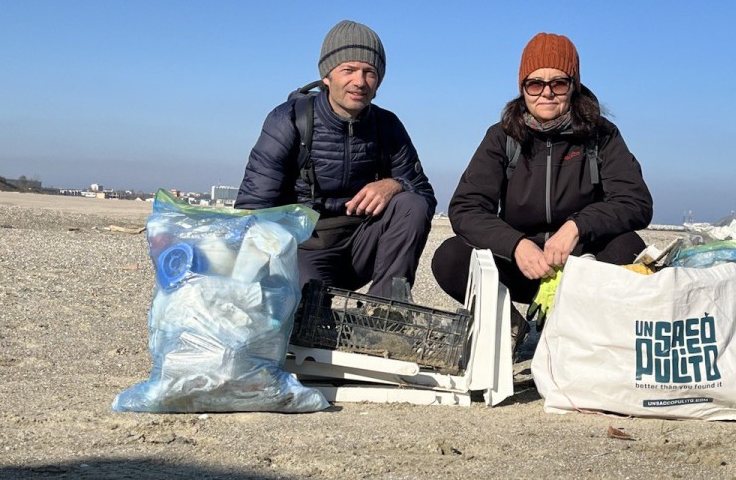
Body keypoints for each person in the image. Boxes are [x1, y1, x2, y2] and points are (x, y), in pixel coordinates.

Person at [430, 32, 653, 347]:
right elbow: (466, 209)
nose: (546, 93)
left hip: (581, 265)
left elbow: (636, 202)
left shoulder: (601, 136)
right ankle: (507, 326)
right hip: (523, 265)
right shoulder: (501, 137)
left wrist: (578, 226)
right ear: (522, 89)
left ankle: (589, 335)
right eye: (535, 84)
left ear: (573, 85)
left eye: (558, 83)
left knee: (628, 247)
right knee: (450, 257)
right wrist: (516, 245)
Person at [235, 20, 436, 299]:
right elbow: (254, 206)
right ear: (327, 76)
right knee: (311, 317)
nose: (359, 82)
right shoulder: (290, 119)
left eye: (370, 72)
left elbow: (424, 193)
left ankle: (384, 312)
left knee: (412, 203)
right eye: (348, 70)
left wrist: (394, 184)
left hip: (360, 247)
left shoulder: (387, 126)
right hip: (305, 248)